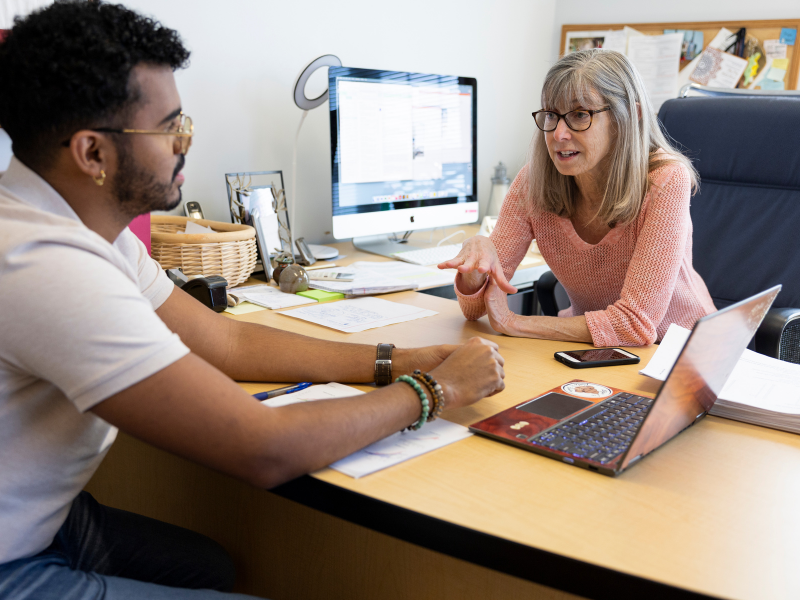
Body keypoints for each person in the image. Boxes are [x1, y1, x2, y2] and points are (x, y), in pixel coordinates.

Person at [0, 3, 506, 599]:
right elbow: (264, 449)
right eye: (170, 128)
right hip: (13, 562)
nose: (185, 143)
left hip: (43, 521)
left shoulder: (86, 228)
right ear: (93, 154)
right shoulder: (41, 262)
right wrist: (435, 393)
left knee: (210, 566)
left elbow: (226, 340)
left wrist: (400, 359)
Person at [440, 49, 716, 347]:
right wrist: (475, 265)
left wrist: (516, 322)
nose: (558, 134)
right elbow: (475, 309)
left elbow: (635, 326)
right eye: (551, 115)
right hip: (597, 350)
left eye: (580, 115)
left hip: (682, 351)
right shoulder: (533, 181)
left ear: (629, 117)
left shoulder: (664, 179)